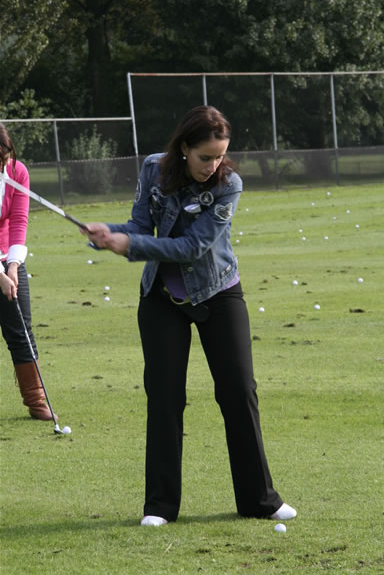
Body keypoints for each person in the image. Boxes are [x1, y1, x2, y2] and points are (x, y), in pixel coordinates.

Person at [83, 106, 297, 526]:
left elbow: (191, 248)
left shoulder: (229, 185)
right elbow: (139, 225)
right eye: (205, 156)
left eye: (220, 155)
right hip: (161, 298)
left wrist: (130, 245)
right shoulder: (153, 169)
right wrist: (108, 234)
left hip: (218, 292)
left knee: (239, 392)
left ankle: (259, 500)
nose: (213, 165)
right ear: (184, 148)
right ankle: (160, 507)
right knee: (164, 398)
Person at [0, 123, 54, 420]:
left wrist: (12, 266)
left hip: (8, 255)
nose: (3, 166)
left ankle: (36, 400)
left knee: (21, 330)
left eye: (6, 158)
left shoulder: (17, 171)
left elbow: (19, 220)